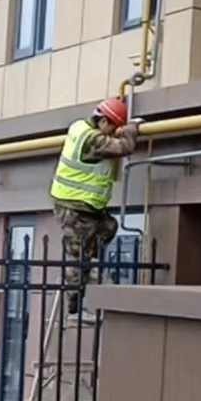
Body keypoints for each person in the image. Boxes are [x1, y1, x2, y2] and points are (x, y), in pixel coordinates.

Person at [49, 97, 143, 322]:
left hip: (84, 205)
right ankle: (74, 310)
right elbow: (126, 147)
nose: (114, 132)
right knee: (77, 258)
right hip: (75, 206)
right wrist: (132, 129)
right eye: (113, 127)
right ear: (104, 122)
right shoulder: (93, 139)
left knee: (108, 227)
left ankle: (91, 268)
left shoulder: (79, 127)